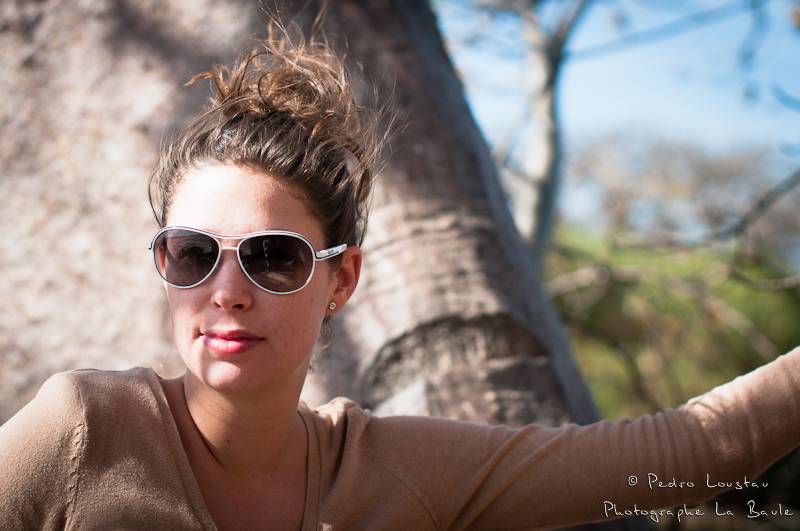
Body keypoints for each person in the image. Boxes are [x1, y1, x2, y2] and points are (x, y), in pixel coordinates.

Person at [1, 25, 799, 531]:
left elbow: (693, 451)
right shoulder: (84, 430)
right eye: (193, 253)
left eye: (273, 255)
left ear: (341, 280)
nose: (227, 290)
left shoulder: (396, 473)